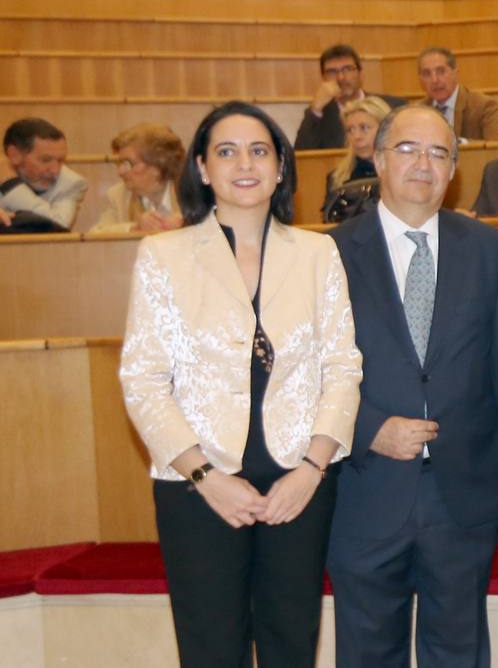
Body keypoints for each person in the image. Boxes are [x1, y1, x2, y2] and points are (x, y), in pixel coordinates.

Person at [118, 100, 362, 668]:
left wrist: (312, 469)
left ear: (280, 167)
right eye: (226, 151)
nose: (244, 164)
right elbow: (144, 379)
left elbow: (342, 367)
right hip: (198, 484)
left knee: (291, 642)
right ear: (203, 168)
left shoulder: (318, 252)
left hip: (297, 482)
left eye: (259, 151)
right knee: (211, 647)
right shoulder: (163, 255)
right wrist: (205, 476)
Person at [328, 104, 498, 668]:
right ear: (378, 160)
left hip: (463, 487)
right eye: (408, 149)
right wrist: (369, 429)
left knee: (458, 650)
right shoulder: (331, 253)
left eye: (439, 153)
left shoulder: (486, 247)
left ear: (454, 170)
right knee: (368, 651)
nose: (423, 163)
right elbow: (309, 371)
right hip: (365, 484)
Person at [295, 44, 406, 150]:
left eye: (347, 69)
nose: (341, 77)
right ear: (324, 78)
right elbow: (302, 155)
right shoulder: (319, 116)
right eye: (332, 72)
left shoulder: (393, 106)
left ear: (360, 73)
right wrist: (315, 109)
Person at [91, 122, 185, 234]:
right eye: (120, 163)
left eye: (128, 163)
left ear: (157, 166)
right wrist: (134, 228)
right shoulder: (119, 195)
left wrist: (186, 225)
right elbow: (95, 234)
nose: (120, 171)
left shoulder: (192, 191)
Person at [2, 117, 87, 231]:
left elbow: (58, 226)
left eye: (61, 160)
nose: (55, 170)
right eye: (46, 160)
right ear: (14, 155)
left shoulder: (70, 183)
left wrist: (11, 185)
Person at [416, 46, 498, 140]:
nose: (434, 80)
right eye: (427, 74)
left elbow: (494, 146)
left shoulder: (484, 106)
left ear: (455, 74)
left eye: (441, 71)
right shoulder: (417, 111)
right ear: (420, 80)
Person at [327, 97, 393, 196]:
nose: (356, 137)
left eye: (364, 128)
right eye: (350, 130)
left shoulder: (402, 171)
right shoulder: (337, 179)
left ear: (385, 130)